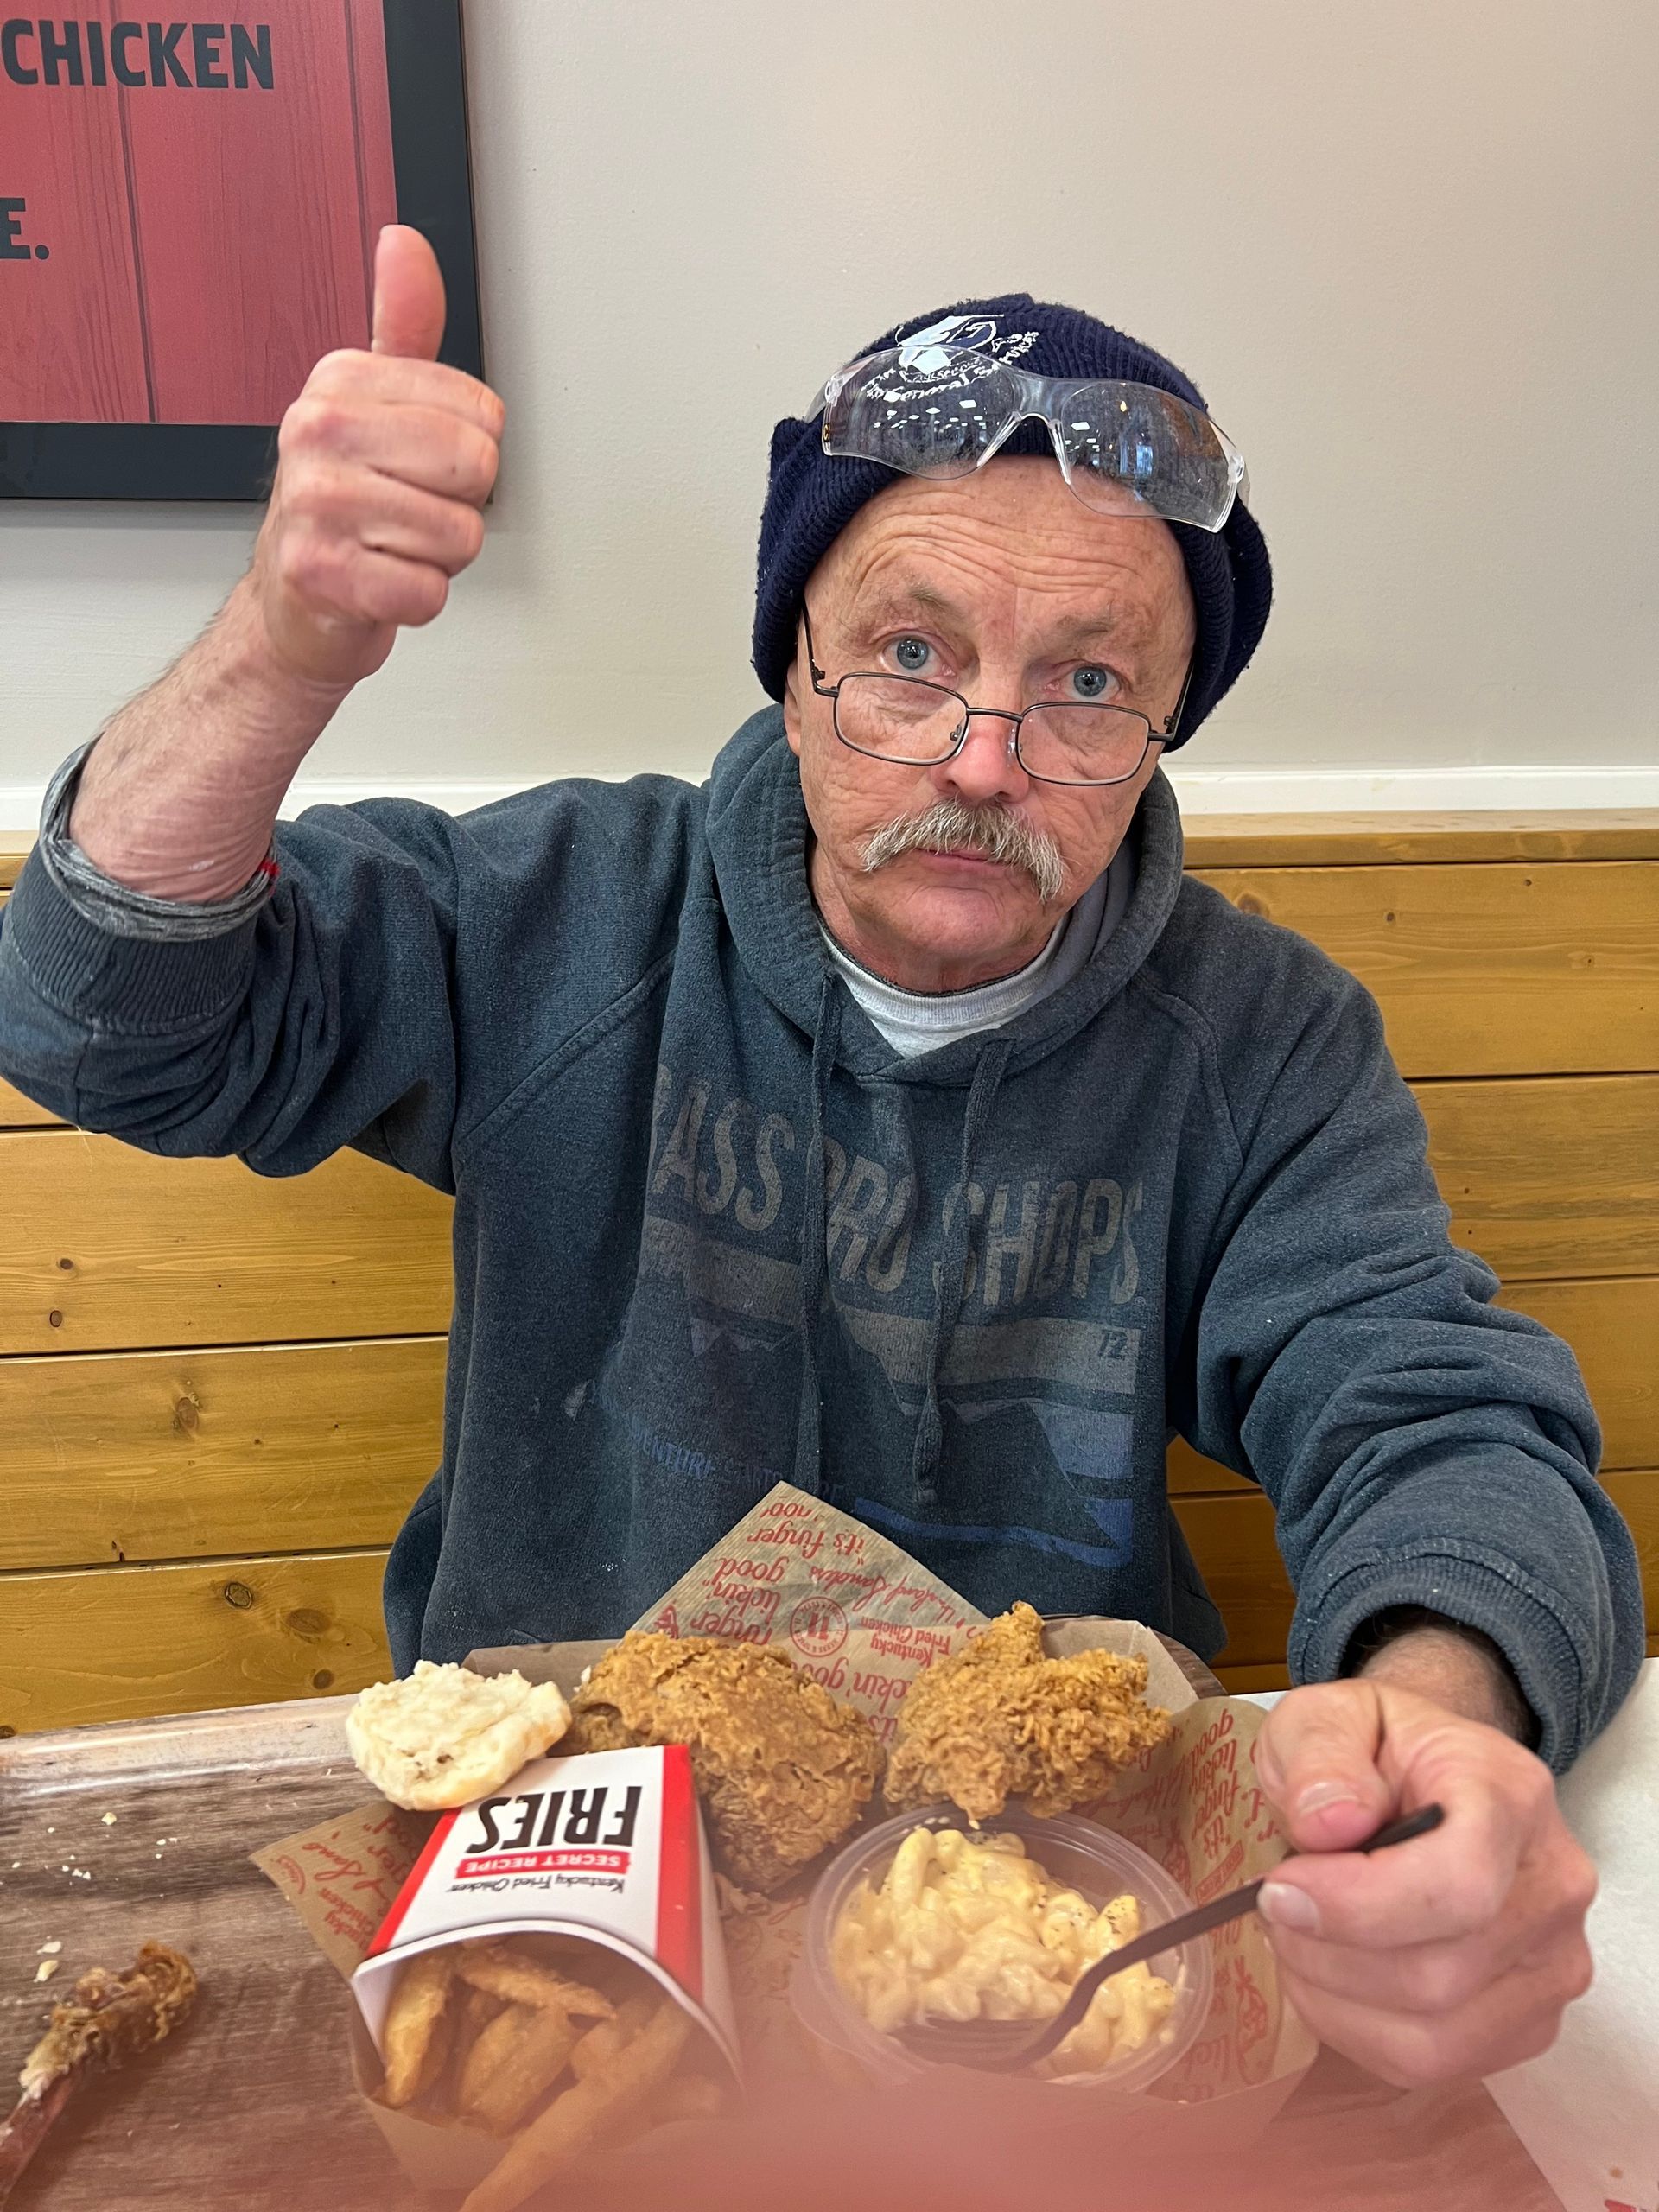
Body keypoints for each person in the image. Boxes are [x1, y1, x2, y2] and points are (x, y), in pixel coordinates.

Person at [0, 229, 1639, 2091]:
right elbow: (92, 1017)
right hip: (555, 1865)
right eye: (910, 652)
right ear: (792, 666)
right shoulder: (559, 917)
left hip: (1055, 1927)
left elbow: (1439, 1417)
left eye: (1091, 682)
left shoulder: (1264, 1040)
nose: (986, 757)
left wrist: (1441, 1714)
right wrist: (287, 648)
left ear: (1164, 736)